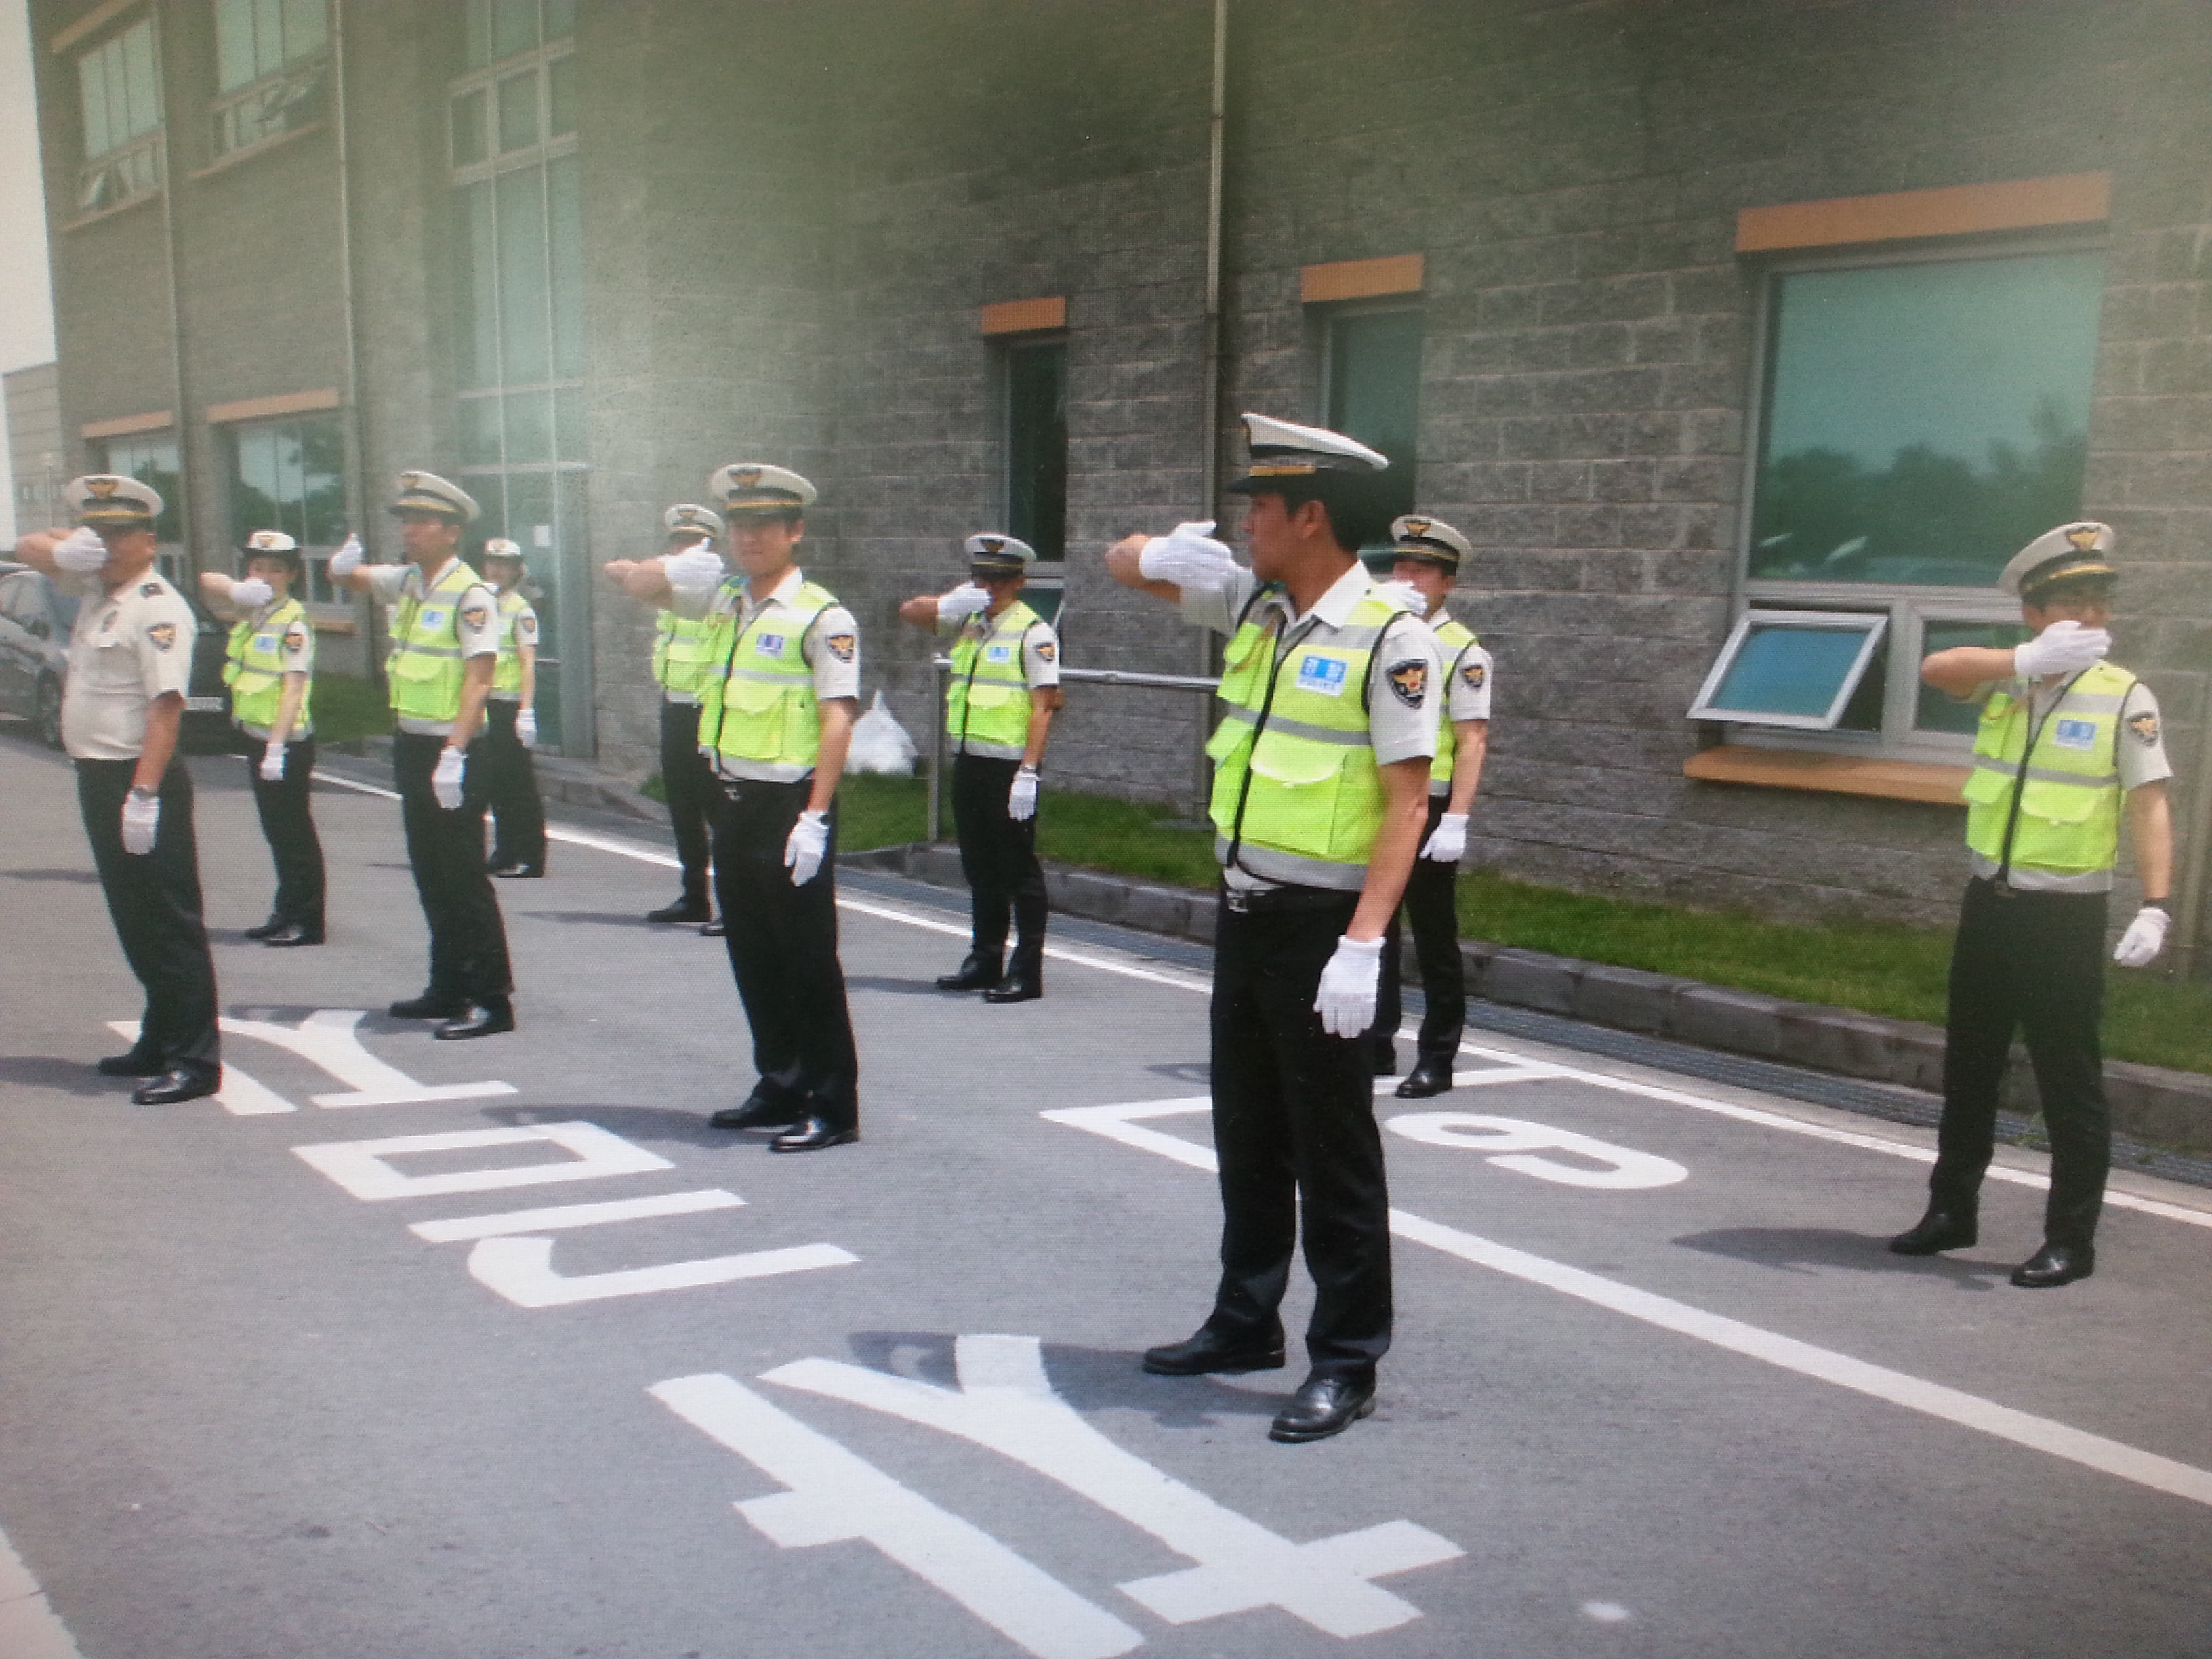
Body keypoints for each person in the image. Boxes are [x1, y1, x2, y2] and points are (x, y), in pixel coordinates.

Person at [1106, 413, 1439, 1443]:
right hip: (1247, 912)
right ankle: (1245, 1320)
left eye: (1262, 504)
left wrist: (1366, 944)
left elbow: (1406, 802)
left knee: (1332, 1151)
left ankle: (1347, 1360)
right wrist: (1158, 554)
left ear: (1313, 516)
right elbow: (1123, 567)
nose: (1247, 519)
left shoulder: (1391, 636)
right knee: (1247, 1132)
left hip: (1325, 928)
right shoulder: (1262, 606)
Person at [1891, 521, 2174, 1288]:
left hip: (2063, 918)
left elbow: (2149, 804)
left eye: (2098, 602)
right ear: (2034, 615)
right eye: (2071, 603)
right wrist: (2025, 662)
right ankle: (1952, 1212)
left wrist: (2156, 905)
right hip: (1991, 904)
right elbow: (1934, 665)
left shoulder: (2125, 697)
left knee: (2067, 1079)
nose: (2090, 617)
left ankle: (2070, 1242)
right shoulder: (2007, 678)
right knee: (1970, 1067)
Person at [613, 464, 862, 1151]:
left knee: (807, 960)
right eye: (740, 526)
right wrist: (676, 559)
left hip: (789, 806)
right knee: (753, 954)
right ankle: (778, 1081)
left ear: (795, 531)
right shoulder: (723, 600)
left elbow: (837, 719)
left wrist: (816, 816)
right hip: (731, 801)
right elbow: (639, 587)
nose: (750, 539)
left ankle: (831, 1103)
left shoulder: (822, 615)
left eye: (765, 526)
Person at [14, 476, 222, 1104]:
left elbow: (166, 708)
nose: (105, 544)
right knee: (135, 919)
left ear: (149, 542)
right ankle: (159, 1039)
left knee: (168, 920)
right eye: (95, 533)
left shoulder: (156, 607)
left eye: (117, 534)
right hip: (98, 777)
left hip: (139, 779)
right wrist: (69, 548)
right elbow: (26, 546)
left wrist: (144, 795)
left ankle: (195, 1059)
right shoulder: (99, 590)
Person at [331, 470, 515, 1039]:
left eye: (419, 521)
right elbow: (360, 579)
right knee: (431, 872)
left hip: (453, 748)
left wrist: (455, 753)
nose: (408, 530)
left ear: (451, 531)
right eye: (404, 520)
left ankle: (491, 998)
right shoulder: (411, 582)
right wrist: (342, 567)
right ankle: (447, 984)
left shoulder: (472, 594)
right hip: (412, 743)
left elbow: (479, 679)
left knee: (463, 875)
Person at [897, 533, 1064, 1002]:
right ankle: (985, 958)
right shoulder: (968, 622)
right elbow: (909, 611)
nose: (989, 587)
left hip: (1010, 766)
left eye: (999, 579)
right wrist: (952, 601)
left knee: (1018, 870)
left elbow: (1044, 706)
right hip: (970, 758)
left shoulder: (1034, 632)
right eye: (981, 578)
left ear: (1019, 582)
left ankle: (1026, 971)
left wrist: (1029, 771)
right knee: (979, 865)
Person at [1366, 515, 1492, 1097]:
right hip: (1383, 799)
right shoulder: (1381, 632)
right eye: (1400, 567)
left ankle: (1438, 1056)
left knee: (1433, 935)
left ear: (1448, 583)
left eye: (1421, 570)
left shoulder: (1463, 650)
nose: (1407, 577)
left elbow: (1472, 738)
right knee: (1379, 925)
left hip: (1434, 806)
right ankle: (1376, 1043)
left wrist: (1458, 818)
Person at [602, 504, 728, 934]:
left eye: (690, 542)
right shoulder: (667, 584)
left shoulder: (715, 583)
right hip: (675, 704)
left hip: (709, 708)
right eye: (675, 542)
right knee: (682, 804)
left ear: (708, 546)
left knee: (718, 807)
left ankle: (733, 900)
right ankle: (694, 895)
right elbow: (616, 571)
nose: (680, 550)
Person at [200, 529, 326, 946]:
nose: (265, 575)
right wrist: (241, 588)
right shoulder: (254, 610)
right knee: (276, 831)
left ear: (291, 574)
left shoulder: (292, 622)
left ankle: (306, 921)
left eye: (275, 568)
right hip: (257, 738)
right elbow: (205, 581)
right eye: (257, 566)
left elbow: (293, 686)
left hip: (285, 743)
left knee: (293, 834)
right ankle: (284, 911)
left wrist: (275, 747)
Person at [478, 537, 548, 880]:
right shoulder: (480, 605)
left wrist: (526, 711)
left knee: (519, 784)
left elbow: (527, 665)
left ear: (517, 571)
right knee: (495, 782)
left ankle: (531, 856)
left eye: (503, 565)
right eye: (491, 563)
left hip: (509, 705)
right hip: (485, 703)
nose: (496, 570)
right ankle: (505, 851)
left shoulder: (521, 610)